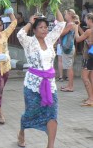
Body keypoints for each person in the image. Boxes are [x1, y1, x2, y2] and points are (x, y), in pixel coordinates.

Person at [16, 9, 65, 148]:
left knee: (52, 114)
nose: (44, 30)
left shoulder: (50, 40)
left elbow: (61, 23)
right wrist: (30, 22)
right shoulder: (29, 42)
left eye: (45, 27)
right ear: (35, 30)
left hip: (50, 85)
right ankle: (21, 132)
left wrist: (55, 6)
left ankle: (50, 146)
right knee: (29, 113)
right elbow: (20, 34)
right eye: (41, 27)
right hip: (32, 84)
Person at [74, 13, 93, 106]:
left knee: (84, 77)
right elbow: (85, 36)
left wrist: (75, 29)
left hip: (88, 57)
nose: (85, 21)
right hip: (92, 57)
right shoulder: (89, 31)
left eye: (86, 19)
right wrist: (78, 27)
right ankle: (91, 97)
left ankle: (91, 99)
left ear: (89, 20)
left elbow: (78, 39)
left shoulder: (89, 31)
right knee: (91, 77)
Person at [60, 9, 78, 92]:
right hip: (71, 47)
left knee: (69, 67)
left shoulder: (70, 24)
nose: (65, 15)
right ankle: (69, 85)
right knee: (69, 67)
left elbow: (62, 33)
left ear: (70, 15)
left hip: (68, 47)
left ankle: (70, 86)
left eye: (66, 14)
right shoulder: (74, 24)